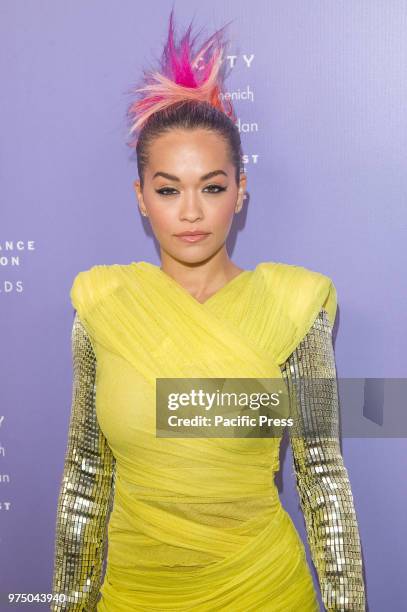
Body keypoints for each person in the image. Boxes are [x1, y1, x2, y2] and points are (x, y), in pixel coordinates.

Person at [50, 9, 366, 611]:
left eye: (212, 187)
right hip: (136, 594)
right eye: (168, 189)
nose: (190, 212)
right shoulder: (104, 306)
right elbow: (86, 479)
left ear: (240, 193)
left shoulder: (293, 308)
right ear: (141, 199)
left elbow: (323, 478)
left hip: (265, 591)